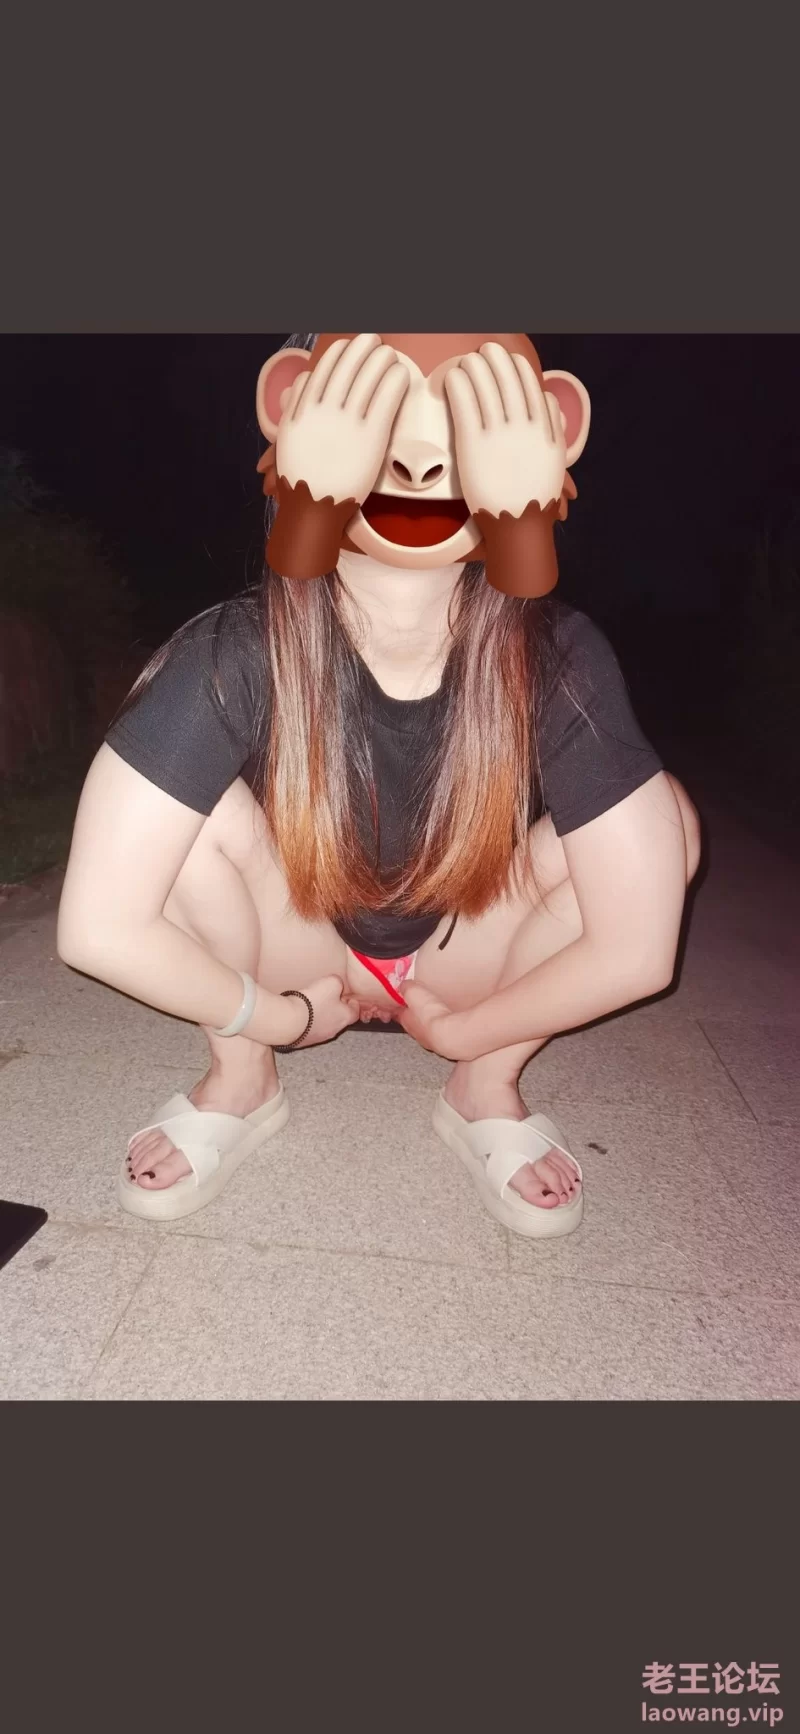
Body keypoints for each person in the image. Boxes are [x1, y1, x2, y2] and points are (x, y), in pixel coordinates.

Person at [57, 333, 701, 1240]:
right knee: (183, 820)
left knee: (665, 821)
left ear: (551, 432)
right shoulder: (233, 648)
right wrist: (277, 1018)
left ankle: (484, 1088)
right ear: (291, 410)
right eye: (382, 412)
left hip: (466, 958)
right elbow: (98, 926)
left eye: (463, 421)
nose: (421, 458)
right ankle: (241, 1074)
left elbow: (639, 950)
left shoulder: (559, 655)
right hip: (295, 948)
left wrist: (463, 1034)